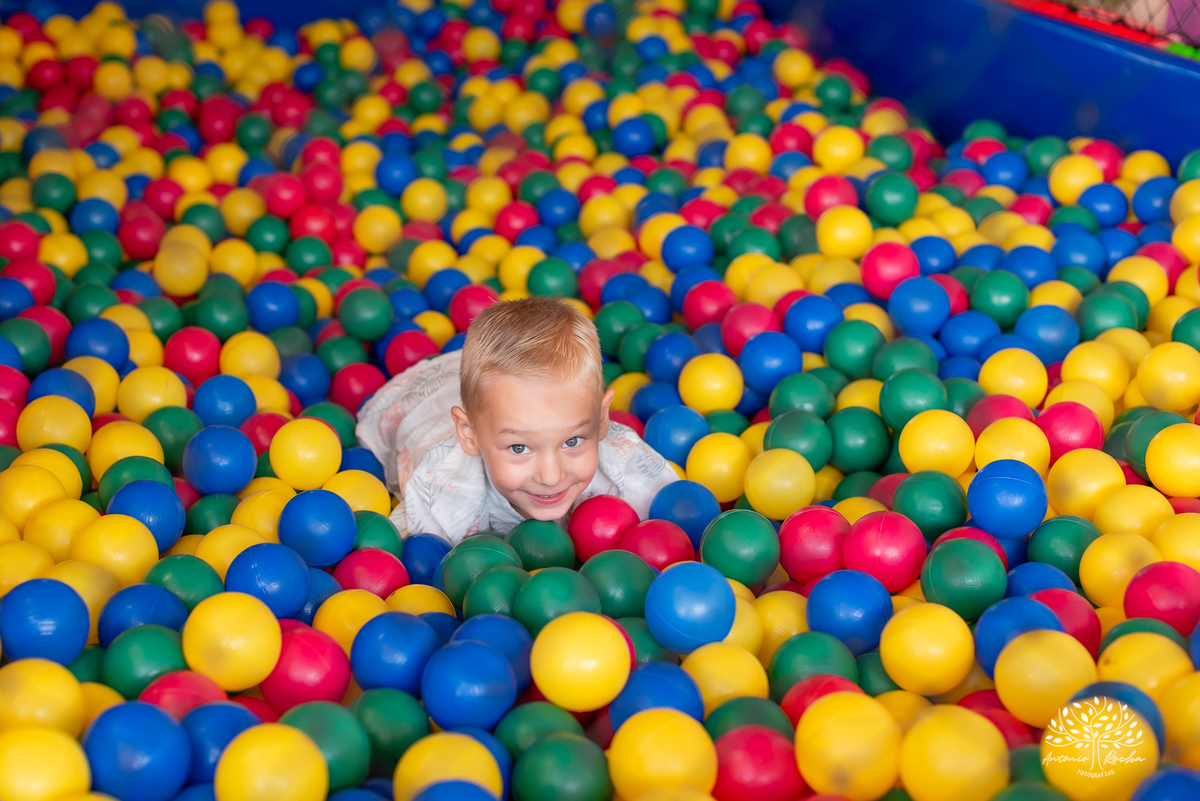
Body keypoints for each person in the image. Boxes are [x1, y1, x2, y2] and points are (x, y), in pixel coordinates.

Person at [357, 296, 679, 545]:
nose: (551, 477)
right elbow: (393, 547)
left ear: (600, 420)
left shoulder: (623, 463)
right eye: (520, 447)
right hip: (423, 402)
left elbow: (678, 516)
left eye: (572, 441)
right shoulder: (444, 494)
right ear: (469, 436)